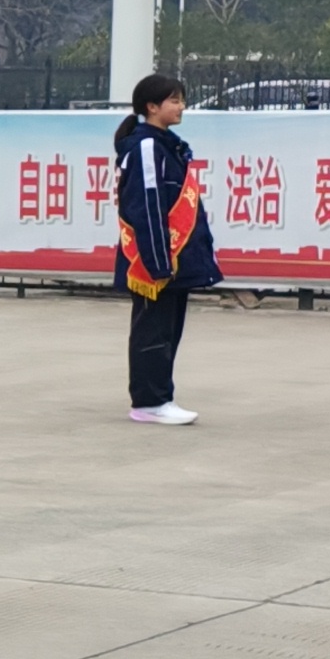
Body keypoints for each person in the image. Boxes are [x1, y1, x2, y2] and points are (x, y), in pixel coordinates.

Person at [113, 71, 218, 426]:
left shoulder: (167, 145)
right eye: (173, 100)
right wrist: (158, 262)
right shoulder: (146, 148)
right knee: (152, 331)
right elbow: (147, 207)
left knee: (169, 330)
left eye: (181, 99)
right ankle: (149, 401)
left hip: (173, 257)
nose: (181, 106)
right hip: (154, 261)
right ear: (152, 106)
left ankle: (161, 397)